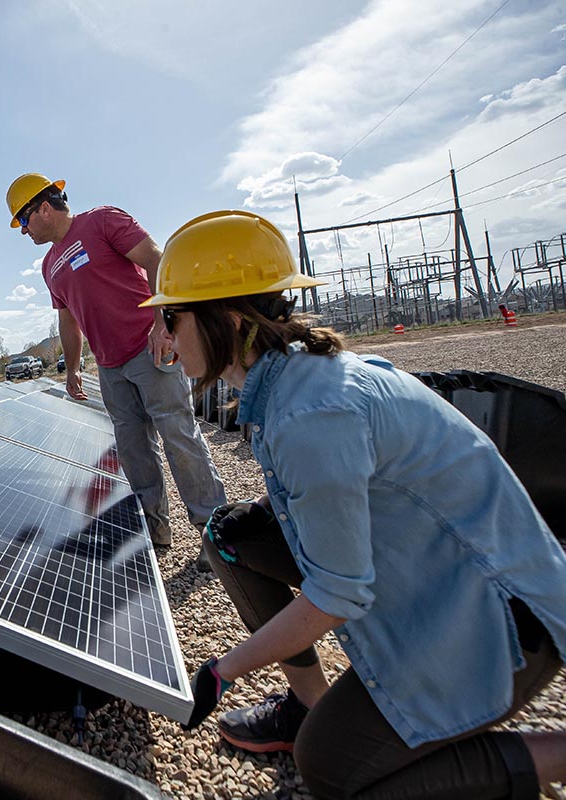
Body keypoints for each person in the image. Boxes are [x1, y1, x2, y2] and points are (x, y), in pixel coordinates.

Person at [147, 210, 566, 797]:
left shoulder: (311, 415)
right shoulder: (295, 379)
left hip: (496, 617)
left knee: (333, 770)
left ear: (228, 321)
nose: (163, 335)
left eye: (171, 316)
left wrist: (223, 670)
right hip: (435, 572)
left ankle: (553, 755)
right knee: (228, 536)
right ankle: (316, 710)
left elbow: (339, 593)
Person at [6, 173, 226, 571]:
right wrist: (72, 369)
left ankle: (216, 536)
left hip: (148, 349)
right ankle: (154, 536)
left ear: (42, 208)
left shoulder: (103, 221)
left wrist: (163, 322)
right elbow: (68, 322)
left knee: (180, 439)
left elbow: (157, 259)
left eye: (23, 221)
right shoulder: (50, 266)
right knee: (135, 454)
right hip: (109, 367)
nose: (23, 231)